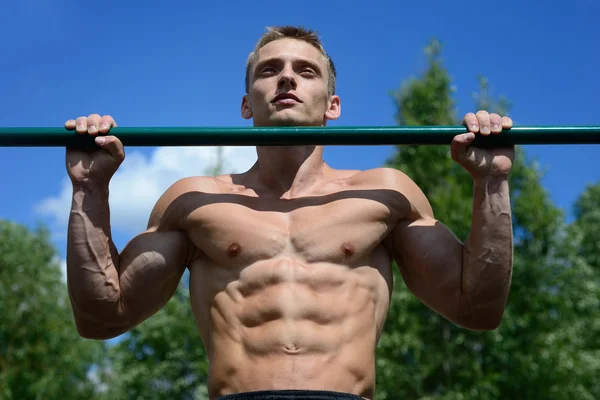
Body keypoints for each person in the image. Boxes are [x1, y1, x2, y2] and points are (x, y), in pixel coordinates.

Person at [64, 26, 514, 400]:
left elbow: (476, 309)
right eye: (269, 70)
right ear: (246, 104)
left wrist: (491, 182)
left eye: (305, 71)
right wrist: (90, 187)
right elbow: (102, 318)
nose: (286, 79)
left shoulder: (385, 194)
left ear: (332, 106)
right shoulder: (194, 201)